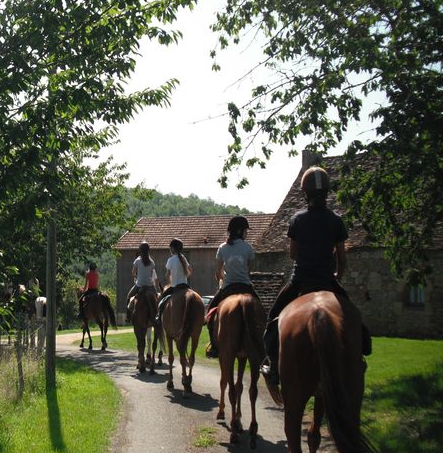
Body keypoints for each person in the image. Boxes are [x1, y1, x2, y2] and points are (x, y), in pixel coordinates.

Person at [260, 166, 372, 391]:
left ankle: (272, 365)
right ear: (327, 192)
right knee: (355, 320)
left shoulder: (297, 219)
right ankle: (358, 358)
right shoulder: (336, 220)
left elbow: (293, 253)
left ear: (305, 193)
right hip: (327, 281)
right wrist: (336, 278)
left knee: (272, 319)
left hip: (300, 281)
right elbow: (342, 258)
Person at [204, 215, 259, 357]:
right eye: (246, 230)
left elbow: (218, 271)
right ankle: (261, 345)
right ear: (240, 231)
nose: (247, 233)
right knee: (262, 312)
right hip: (246, 286)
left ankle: (213, 346)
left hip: (228, 286)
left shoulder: (222, 248)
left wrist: (222, 280)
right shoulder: (248, 248)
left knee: (210, 314)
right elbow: (249, 270)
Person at [154, 238, 192, 325]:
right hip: (185, 286)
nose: (170, 249)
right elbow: (190, 271)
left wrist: (171, 281)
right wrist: (184, 276)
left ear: (173, 249)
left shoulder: (171, 260)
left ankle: (158, 317)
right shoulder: (183, 258)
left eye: (170, 248)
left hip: (175, 286)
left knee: (162, 300)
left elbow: (167, 275)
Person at [126, 242, 159, 321]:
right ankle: (158, 314)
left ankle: (128, 317)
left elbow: (133, 272)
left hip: (139, 285)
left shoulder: (137, 260)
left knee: (128, 297)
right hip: (150, 286)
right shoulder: (152, 262)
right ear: (148, 250)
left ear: (140, 250)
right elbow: (151, 275)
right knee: (157, 297)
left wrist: (136, 276)